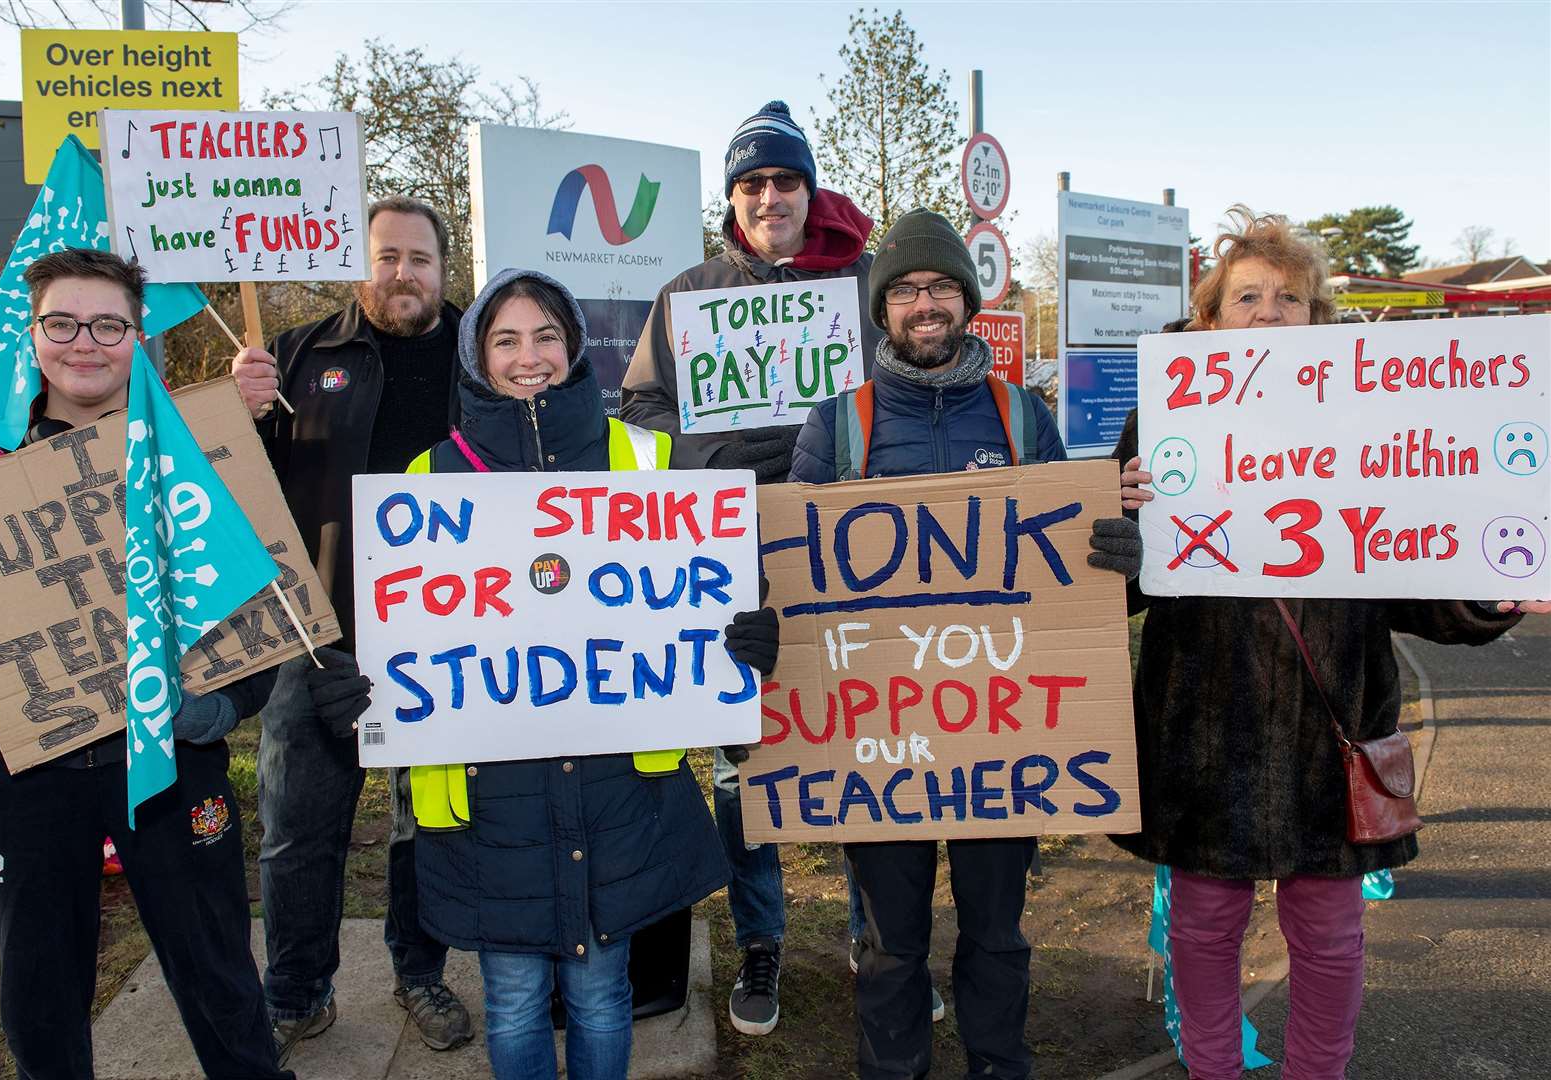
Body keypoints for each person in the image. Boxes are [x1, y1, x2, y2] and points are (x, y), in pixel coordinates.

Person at [1115, 207, 1546, 1080]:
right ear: (1209, 318)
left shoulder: (1368, 423)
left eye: (1288, 298)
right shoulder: (1159, 423)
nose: (1267, 314)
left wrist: (1489, 589)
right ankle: (1211, 1070)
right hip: (1203, 731)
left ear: (1316, 320)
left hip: (1332, 725)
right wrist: (1120, 533)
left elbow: (1415, 579)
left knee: (1329, 934)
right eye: (1246, 297)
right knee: (1202, 928)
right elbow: (1120, 589)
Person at [0, 248, 353, 1079]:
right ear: (31, 334)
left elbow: (263, 602)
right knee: (39, 987)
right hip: (23, 774)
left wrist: (221, 708)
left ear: (137, 337)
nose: (86, 342)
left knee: (218, 970)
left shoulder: (197, 447)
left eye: (108, 324)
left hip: (172, 763)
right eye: (63, 323)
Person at [787, 208, 1141, 1080]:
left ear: (967, 300)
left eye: (941, 286)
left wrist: (1122, 565)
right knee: (889, 946)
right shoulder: (836, 426)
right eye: (904, 290)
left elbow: (1074, 584)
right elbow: (785, 575)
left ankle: (998, 1065)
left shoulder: (1026, 419)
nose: (924, 304)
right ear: (882, 310)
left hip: (1001, 734)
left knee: (995, 934)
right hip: (877, 739)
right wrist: (763, 622)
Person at [402, 268, 771, 1078]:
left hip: (615, 788)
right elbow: (403, 638)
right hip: (490, 793)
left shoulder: (650, 461)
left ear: (572, 348)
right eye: (505, 339)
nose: (527, 356)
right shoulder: (428, 481)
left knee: (604, 994)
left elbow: (715, 585)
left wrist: (745, 634)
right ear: (478, 357)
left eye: (544, 337)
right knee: (512, 996)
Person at [620, 98, 880, 1036]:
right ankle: (760, 938)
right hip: (730, 551)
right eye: (752, 183)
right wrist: (713, 459)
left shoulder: (861, 284)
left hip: (847, 550)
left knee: (862, 736)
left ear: (809, 191)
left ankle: (875, 933)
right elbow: (640, 408)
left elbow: (897, 394)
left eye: (785, 179)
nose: (769, 196)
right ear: (733, 199)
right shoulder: (688, 293)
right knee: (747, 753)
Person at [230, 196, 470, 1061]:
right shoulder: (293, 355)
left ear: (446, 269)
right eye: (386, 257)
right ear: (356, 265)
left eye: (419, 258)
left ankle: (420, 973)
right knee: (299, 830)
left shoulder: (478, 358)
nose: (402, 273)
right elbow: (240, 495)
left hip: (444, 637)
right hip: (316, 634)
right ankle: (296, 992)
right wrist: (242, 414)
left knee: (427, 821)